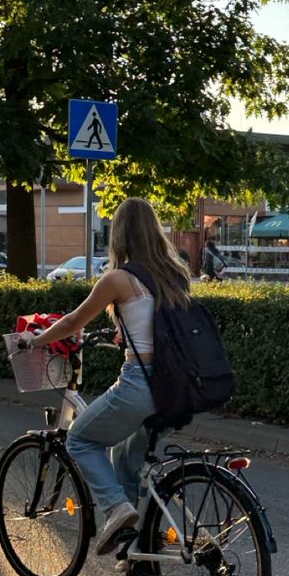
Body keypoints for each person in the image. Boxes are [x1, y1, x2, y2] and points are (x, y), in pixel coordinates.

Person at [23, 197, 192, 555]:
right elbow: (162, 326)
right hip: (176, 386)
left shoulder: (119, 278)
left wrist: (36, 340)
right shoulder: (174, 274)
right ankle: (135, 548)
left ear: (120, 234)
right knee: (126, 459)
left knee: (81, 441)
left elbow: (72, 322)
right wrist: (125, 333)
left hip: (140, 384)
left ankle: (116, 509)